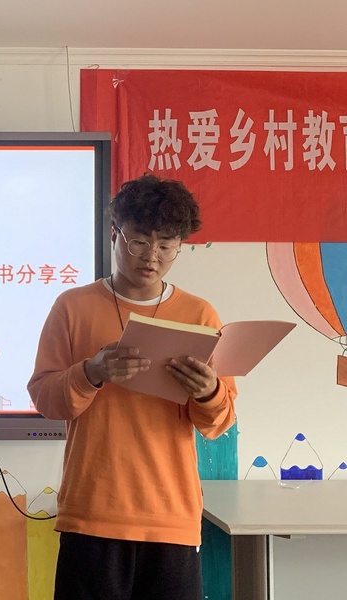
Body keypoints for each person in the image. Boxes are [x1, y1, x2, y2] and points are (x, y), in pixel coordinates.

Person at [27, 174, 236, 600]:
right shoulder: (73, 307)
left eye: (167, 246)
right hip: (92, 512)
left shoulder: (199, 315)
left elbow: (219, 423)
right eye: (139, 241)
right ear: (114, 234)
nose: (152, 257)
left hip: (171, 516)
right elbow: (46, 400)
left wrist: (209, 392)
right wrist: (91, 372)